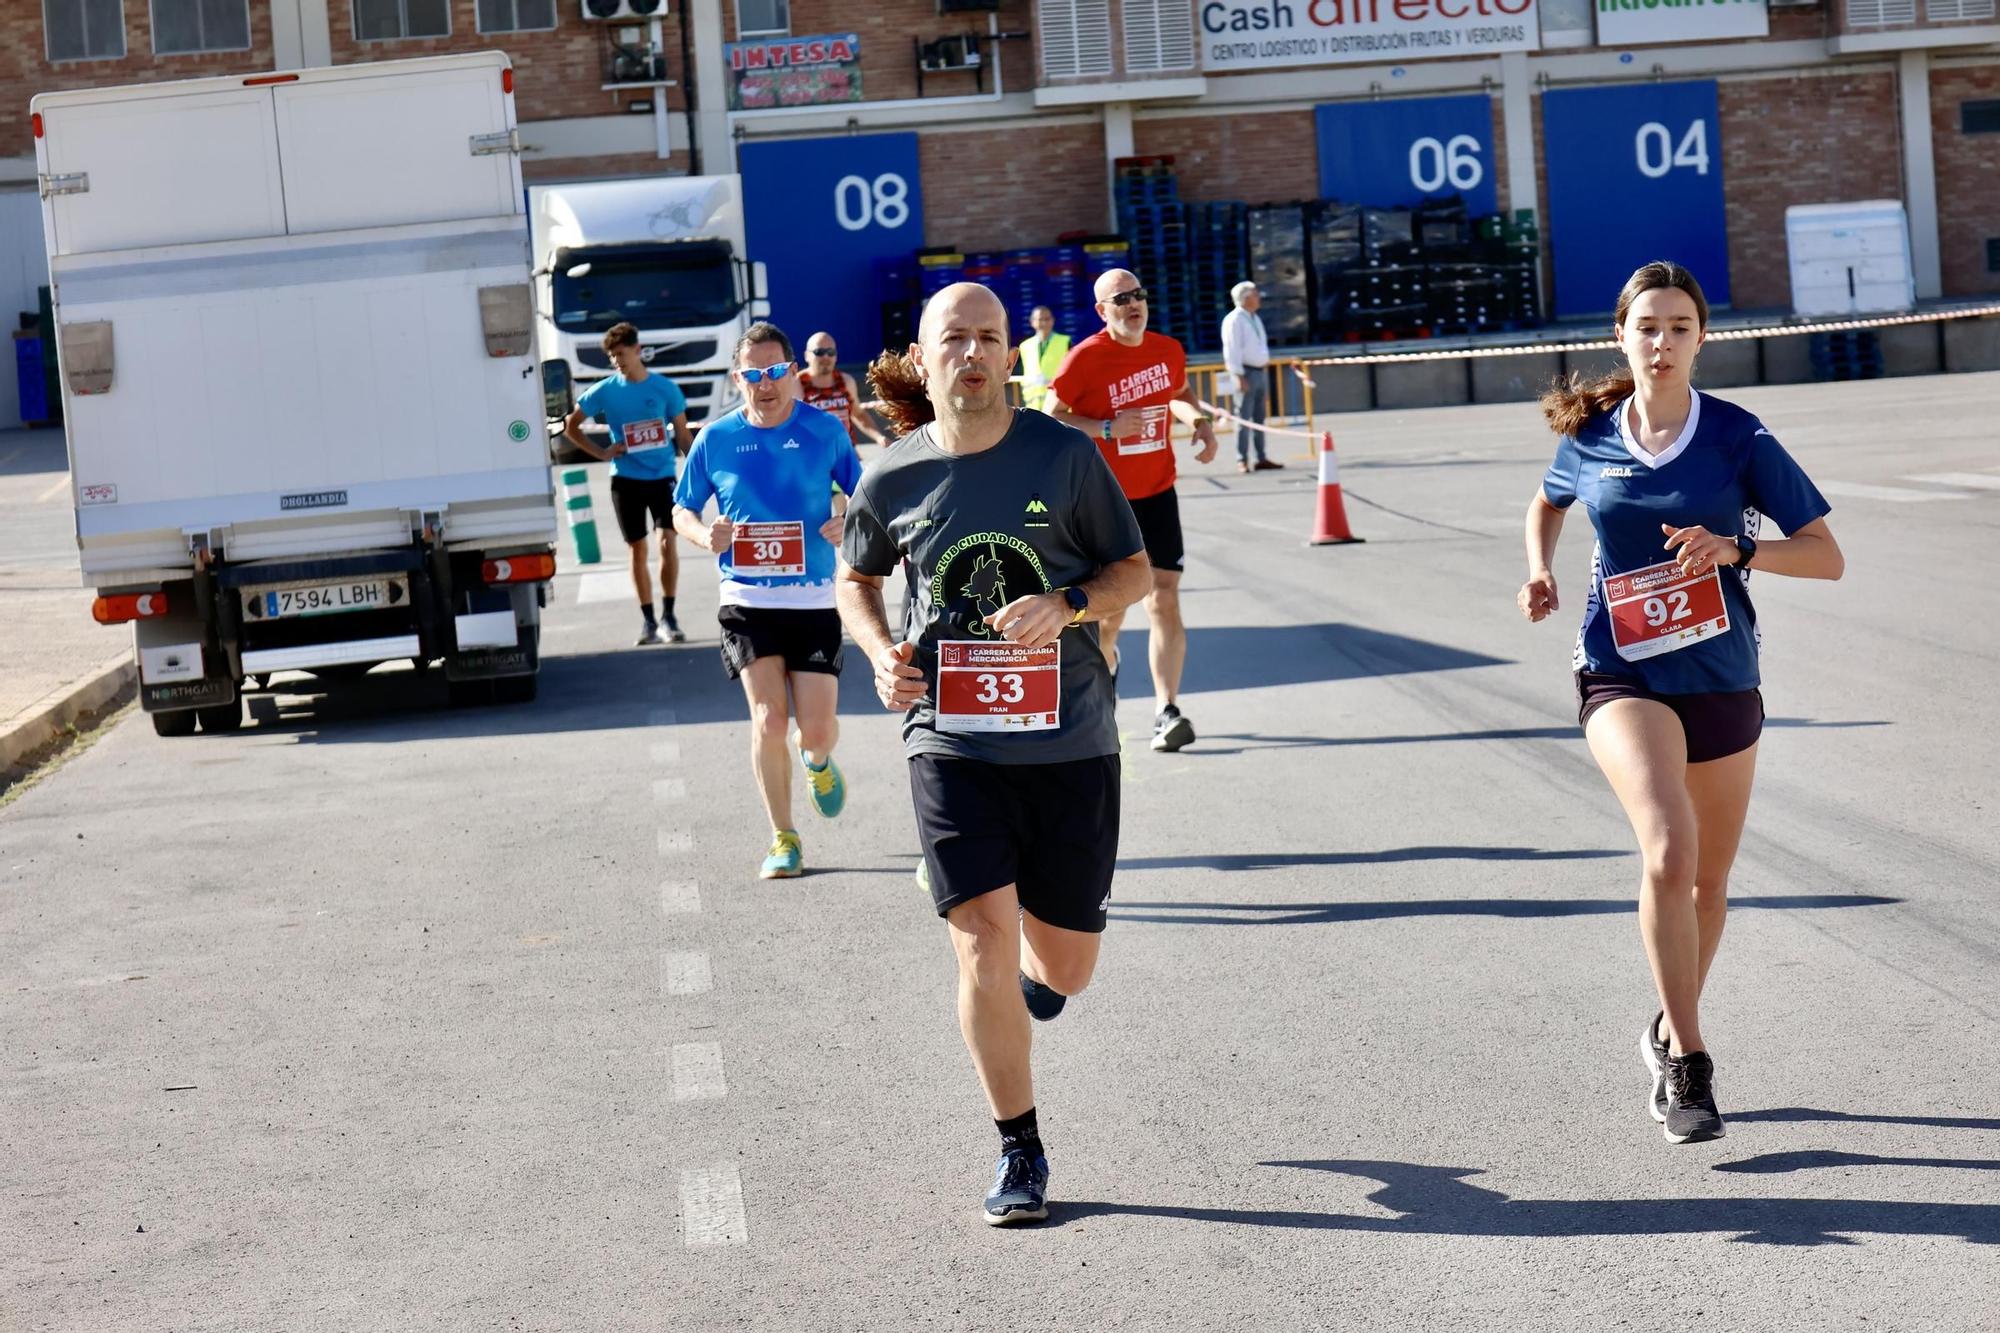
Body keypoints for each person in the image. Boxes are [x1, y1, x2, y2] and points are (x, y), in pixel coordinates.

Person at [836, 282, 1150, 1225]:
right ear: (924, 358)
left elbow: (1134, 569)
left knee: (1067, 967)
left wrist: (1069, 604)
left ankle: (1035, 988)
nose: (972, 354)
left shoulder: (1065, 454)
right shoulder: (893, 474)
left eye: (988, 339)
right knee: (978, 936)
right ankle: (1020, 1147)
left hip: (1070, 741)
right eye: (954, 340)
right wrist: (879, 654)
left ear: (1008, 354)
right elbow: (854, 579)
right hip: (951, 739)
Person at [1519, 260, 1844, 1145]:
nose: (1661, 342)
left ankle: (1663, 1026)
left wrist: (1736, 552)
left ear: (1703, 339)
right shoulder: (1588, 435)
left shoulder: (1737, 436)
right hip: (1621, 670)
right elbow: (1546, 503)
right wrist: (1542, 568)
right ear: (1620, 335)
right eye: (1647, 327)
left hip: (1724, 676)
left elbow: (1824, 553)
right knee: (1667, 848)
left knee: (1709, 884)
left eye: (1679, 327)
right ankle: (1692, 1062)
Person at [672, 322, 862, 880]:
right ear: (739, 379)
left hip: (814, 598)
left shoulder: (823, 430)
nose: (766, 383)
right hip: (746, 598)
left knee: (817, 729)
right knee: (768, 720)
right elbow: (682, 508)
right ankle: (784, 838)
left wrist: (845, 520)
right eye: (753, 374)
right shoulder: (717, 437)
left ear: (791, 373)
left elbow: (865, 491)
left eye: (776, 370)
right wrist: (705, 536)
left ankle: (819, 760)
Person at [1043, 268, 1219, 753]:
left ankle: (1167, 710)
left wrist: (1200, 424)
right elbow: (1050, 418)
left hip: (1159, 491)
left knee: (1164, 597)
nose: (1132, 304)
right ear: (1103, 311)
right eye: (1121, 299)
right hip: (1106, 500)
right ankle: (1107, 671)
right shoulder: (1085, 359)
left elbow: (1178, 394)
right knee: (1111, 611)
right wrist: (1105, 428)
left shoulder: (1167, 350)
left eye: (1138, 294)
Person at [564, 322, 695, 645]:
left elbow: (681, 432)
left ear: (638, 351)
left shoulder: (665, 389)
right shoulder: (606, 390)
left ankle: (669, 615)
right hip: (625, 480)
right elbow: (571, 426)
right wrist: (602, 452)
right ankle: (648, 620)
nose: (616, 361)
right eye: (612, 357)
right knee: (637, 549)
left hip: (662, 476)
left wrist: (696, 469)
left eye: (621, 354)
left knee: (667, 542)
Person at [1221, 281, 1280, 474]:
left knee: (1259, 417)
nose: (1258, 297)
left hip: (1258, 370)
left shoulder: (1253, 318)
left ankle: (1261, 457)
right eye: (1255, 294)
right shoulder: (1235, 320)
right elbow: (1232, 349)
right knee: (1244, 418)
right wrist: (1237, 375)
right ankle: (1242, 458)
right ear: (1245, 297)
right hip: (1245, 372)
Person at [800, 331, 890, 447]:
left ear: (836, 356)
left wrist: (879, 437)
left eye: (830, 352)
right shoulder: (796, 384)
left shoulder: (846, 381)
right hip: (813, 459)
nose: (826, 357)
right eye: (819, 352)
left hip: (846, 455)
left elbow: (858, 414)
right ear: (807, 356)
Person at [1015, 305, 1069, 413]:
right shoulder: (1024, 346)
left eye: (1047, 319)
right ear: (1032, 322)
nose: (1044, 323)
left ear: (1052, 321)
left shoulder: (1065, 342)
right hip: (1033, 405)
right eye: (1040, 319)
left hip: (1057, 404)